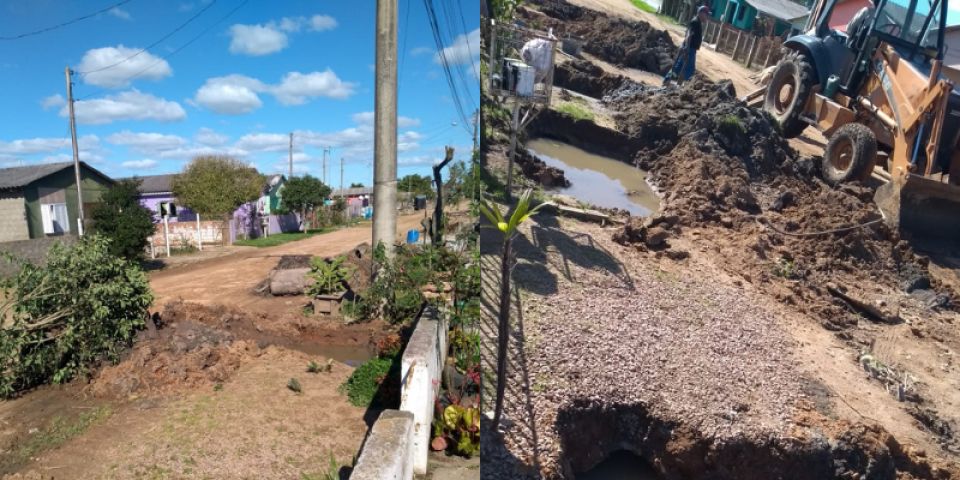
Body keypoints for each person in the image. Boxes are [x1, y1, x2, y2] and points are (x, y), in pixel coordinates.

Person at [664, 5, 710, 85]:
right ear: (701, 13)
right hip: (689, 49)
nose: (707, 17)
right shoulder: (695, 22)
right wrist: (687, 49)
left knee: (680, 67)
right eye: (706, 15)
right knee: (687, 69)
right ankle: (672, 83)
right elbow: (689, 35)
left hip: (689, 48)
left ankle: (673, 83)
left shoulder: (697, 22)